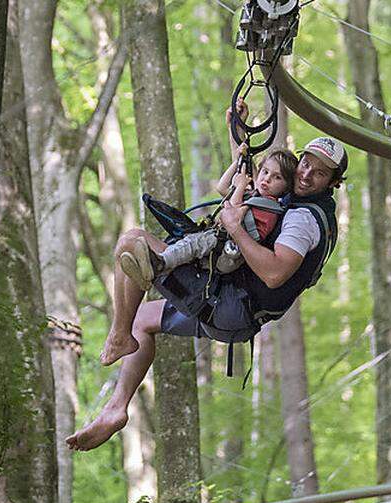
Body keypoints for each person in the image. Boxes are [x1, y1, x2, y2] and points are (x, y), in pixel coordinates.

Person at [66, 134, 348, 452]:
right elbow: (246, 185)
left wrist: (234, 227)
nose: (308, 173)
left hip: (229, 305)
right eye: (307, 163)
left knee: (132, 242)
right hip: (236, 309)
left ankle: (118, 336)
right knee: (141, 318)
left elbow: (273, 274)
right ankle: (116, 409)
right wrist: (236, 134)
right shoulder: (301, 204)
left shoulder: (302, 219)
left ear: (333, 182)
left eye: (320, 172)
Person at [119, 145, 298, 288]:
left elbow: (231, 212)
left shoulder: (269, 207)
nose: (267, 179)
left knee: (194, 243)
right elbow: (222, 188)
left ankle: (160, 264)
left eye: (276, 178)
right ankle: (147, 273)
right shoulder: (255, 196)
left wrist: (241, 186)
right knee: (191, 240)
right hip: (220, 242)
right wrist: (236, 163)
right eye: (265, 172)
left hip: (229, 252)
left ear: (286, 187)